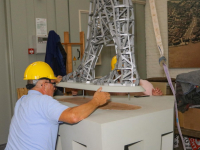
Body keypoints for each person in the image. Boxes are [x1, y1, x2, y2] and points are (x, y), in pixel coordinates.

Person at [5, 61, 110, 150]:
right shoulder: (43, 100)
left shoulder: (21, 101)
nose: (54, 88)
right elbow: (73, 116)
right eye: (53, 84)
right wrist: (96, 101)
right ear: (45, 85)